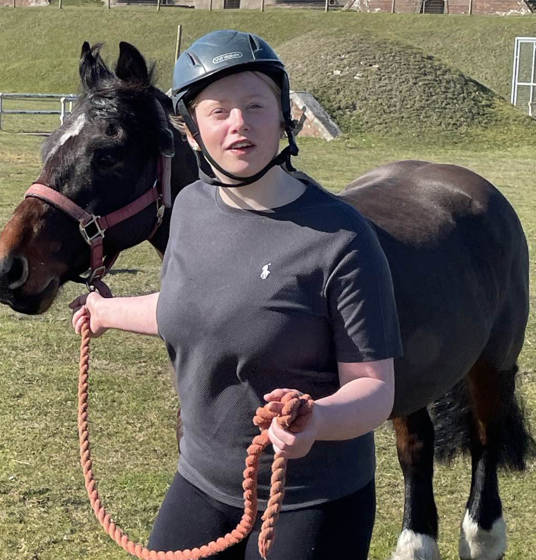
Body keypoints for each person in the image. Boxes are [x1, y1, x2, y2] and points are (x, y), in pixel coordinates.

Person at [71, 30, 402, 560]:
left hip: (310, 500)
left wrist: (317, 419)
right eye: (218, 110)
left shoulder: (341, 238)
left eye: (255, 105)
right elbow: (196, 308)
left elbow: (375, 389)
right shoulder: (192, 208)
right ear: (193, 131)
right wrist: (105, 311)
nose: (239, 124)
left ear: (283, 117)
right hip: (201, 481)